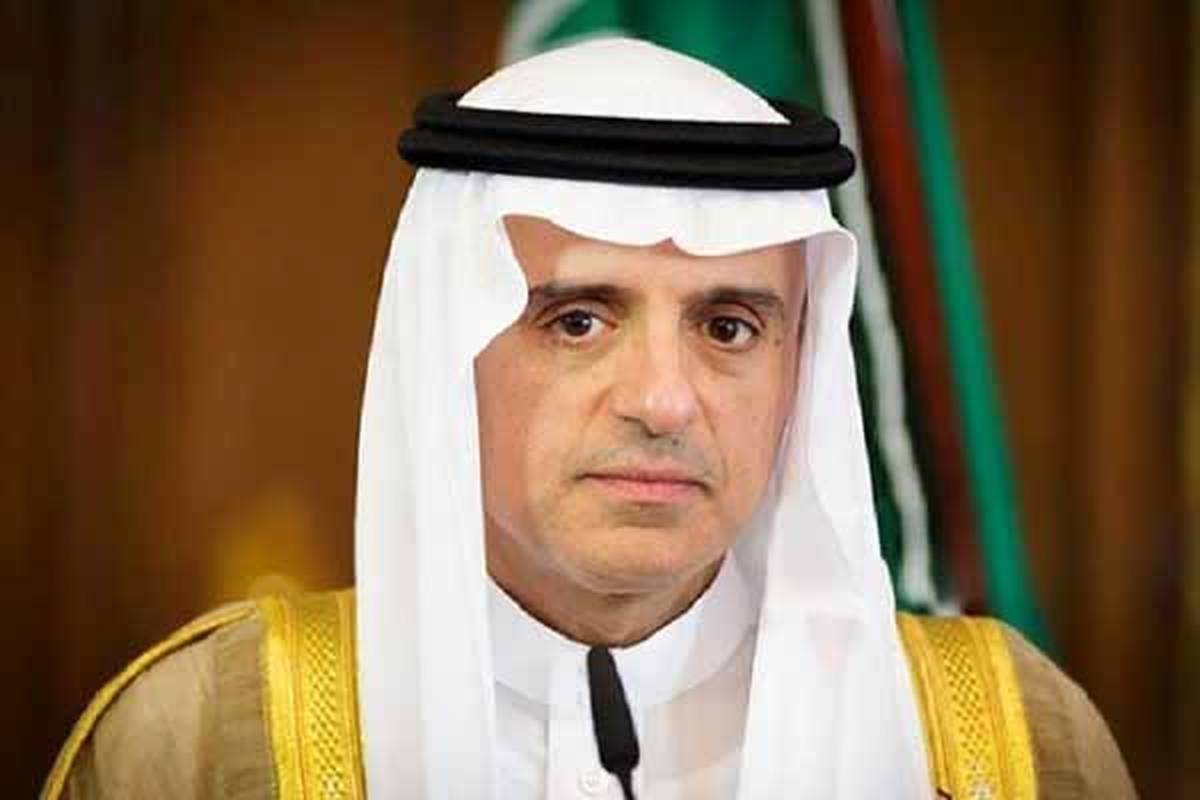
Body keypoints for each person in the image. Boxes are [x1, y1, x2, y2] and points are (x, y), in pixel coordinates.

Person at [42, 38, 1134, 800]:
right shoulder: (204, 738)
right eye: (576, 321)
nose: (662, 400)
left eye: (729, 327)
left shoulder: (1008, 742)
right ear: (447, 352)